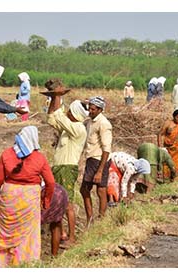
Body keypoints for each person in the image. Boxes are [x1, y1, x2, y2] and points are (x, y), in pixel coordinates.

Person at [0, 126, 55, 268]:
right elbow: (50, 182)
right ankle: (24, 265)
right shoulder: (39, 158)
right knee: (27, 236)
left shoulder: (6, 154)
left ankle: (0, 266)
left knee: (4, 233)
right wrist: (46, 200)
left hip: (9, 197)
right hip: (29, 199)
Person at [45, 81, 88, 247]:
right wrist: (54, 98)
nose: (68, 112)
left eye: (70, 110)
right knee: (58, 202)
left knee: (68, 204)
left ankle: (72, 237)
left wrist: (57, 96)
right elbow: (52, 118)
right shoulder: (68, 128)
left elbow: (59, 116)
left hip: (67, 169)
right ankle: (62, 233)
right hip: (58, 168)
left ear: (75, 114)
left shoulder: (78, 129)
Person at [80, 96, 112, 228]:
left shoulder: (104, 124)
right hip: (91, 159)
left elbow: (106, 149)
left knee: (101, 190)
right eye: (89, 108)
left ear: (100, 109)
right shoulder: (89, 122)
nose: (90, 111)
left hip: (99, 160)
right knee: (85, 190)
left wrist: (99, 170)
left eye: (93, 109)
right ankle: (91, 218)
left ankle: (101, 218)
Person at [41, 183, 68, 256]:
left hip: (43, 192)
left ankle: (31, 257)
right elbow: (50, 180)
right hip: (59, 192)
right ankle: (54, 256)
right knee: (56, 224)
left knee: (33, 226)